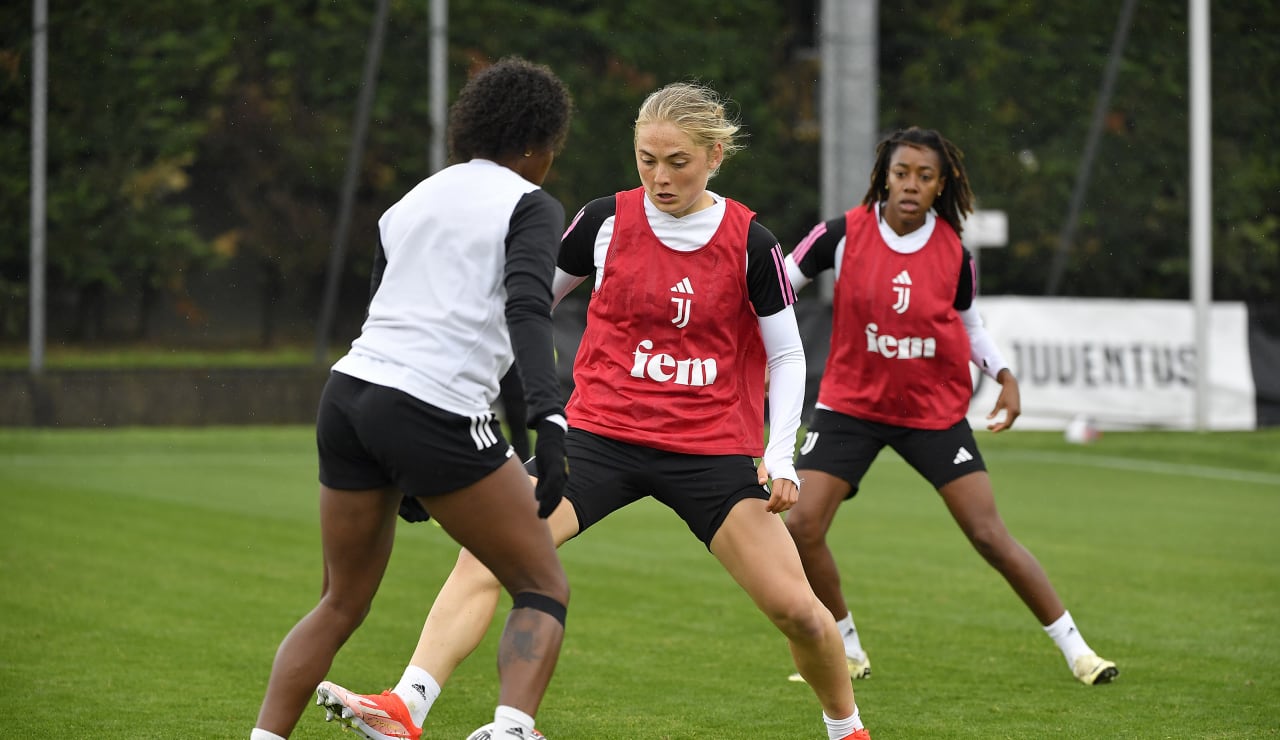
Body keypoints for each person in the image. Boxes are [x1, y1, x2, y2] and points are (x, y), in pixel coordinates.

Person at [314, 82, 873, 740]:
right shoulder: (604, 221)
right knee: (487, 557)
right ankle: (409, 706)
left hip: (711, 450)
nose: (660, 177)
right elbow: (519, 311)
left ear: (715, 156)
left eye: (678, 162)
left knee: (800, 613)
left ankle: (848, 732)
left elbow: (786, 356)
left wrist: (780, 457)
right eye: (646, 159)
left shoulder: (753, 242)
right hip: (597, 438)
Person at [250, 57, 575, 740]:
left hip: (349, 397)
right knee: (542, 583)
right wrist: (550, 420)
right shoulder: (531, 203)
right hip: (428, 408)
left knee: (339, 601)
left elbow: (383, 312)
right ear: (538, 145)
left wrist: (509, 440)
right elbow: (525, 309)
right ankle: (512, 730)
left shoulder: (412, 201)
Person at [780, 125, 1118, 687]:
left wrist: (1004, 375)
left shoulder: (953, 252)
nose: (911, 185)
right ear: (884, 178)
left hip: (930, 411)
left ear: (942, 185)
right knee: (802, 523)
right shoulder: (839, 234)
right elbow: (781, 284)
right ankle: (846, 647)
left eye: (925, 176)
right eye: (902, 173)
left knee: (989, 535)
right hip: (850, 406)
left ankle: (1078, 651)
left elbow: (970, 325)